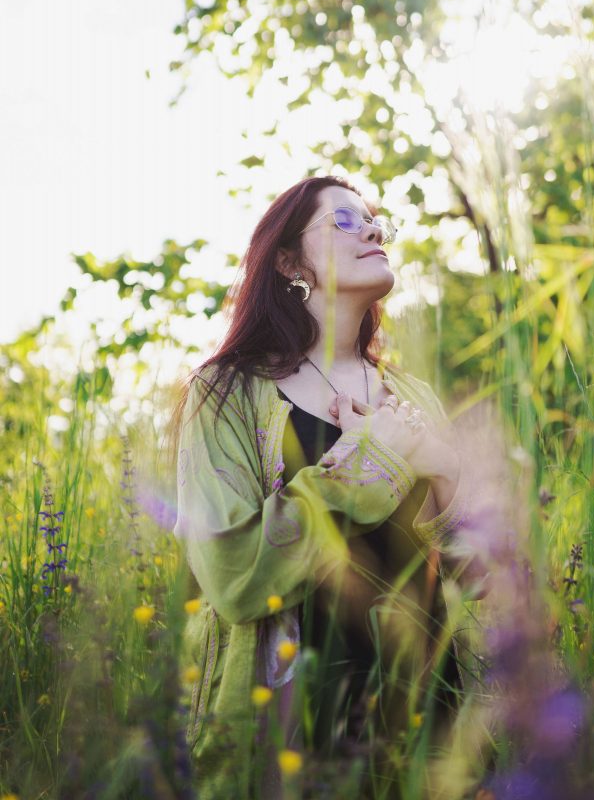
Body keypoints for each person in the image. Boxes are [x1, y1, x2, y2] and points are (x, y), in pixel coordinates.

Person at [169, 175, 476, 800]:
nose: (370, 230)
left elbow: (479, 573)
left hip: (426, 718)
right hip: (298, 728)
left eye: (373, 223)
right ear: (289, 262)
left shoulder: (412, 399)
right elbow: (232, 573)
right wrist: (370, 462)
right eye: (341, 221)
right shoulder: (225, 393)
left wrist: (444, 468)